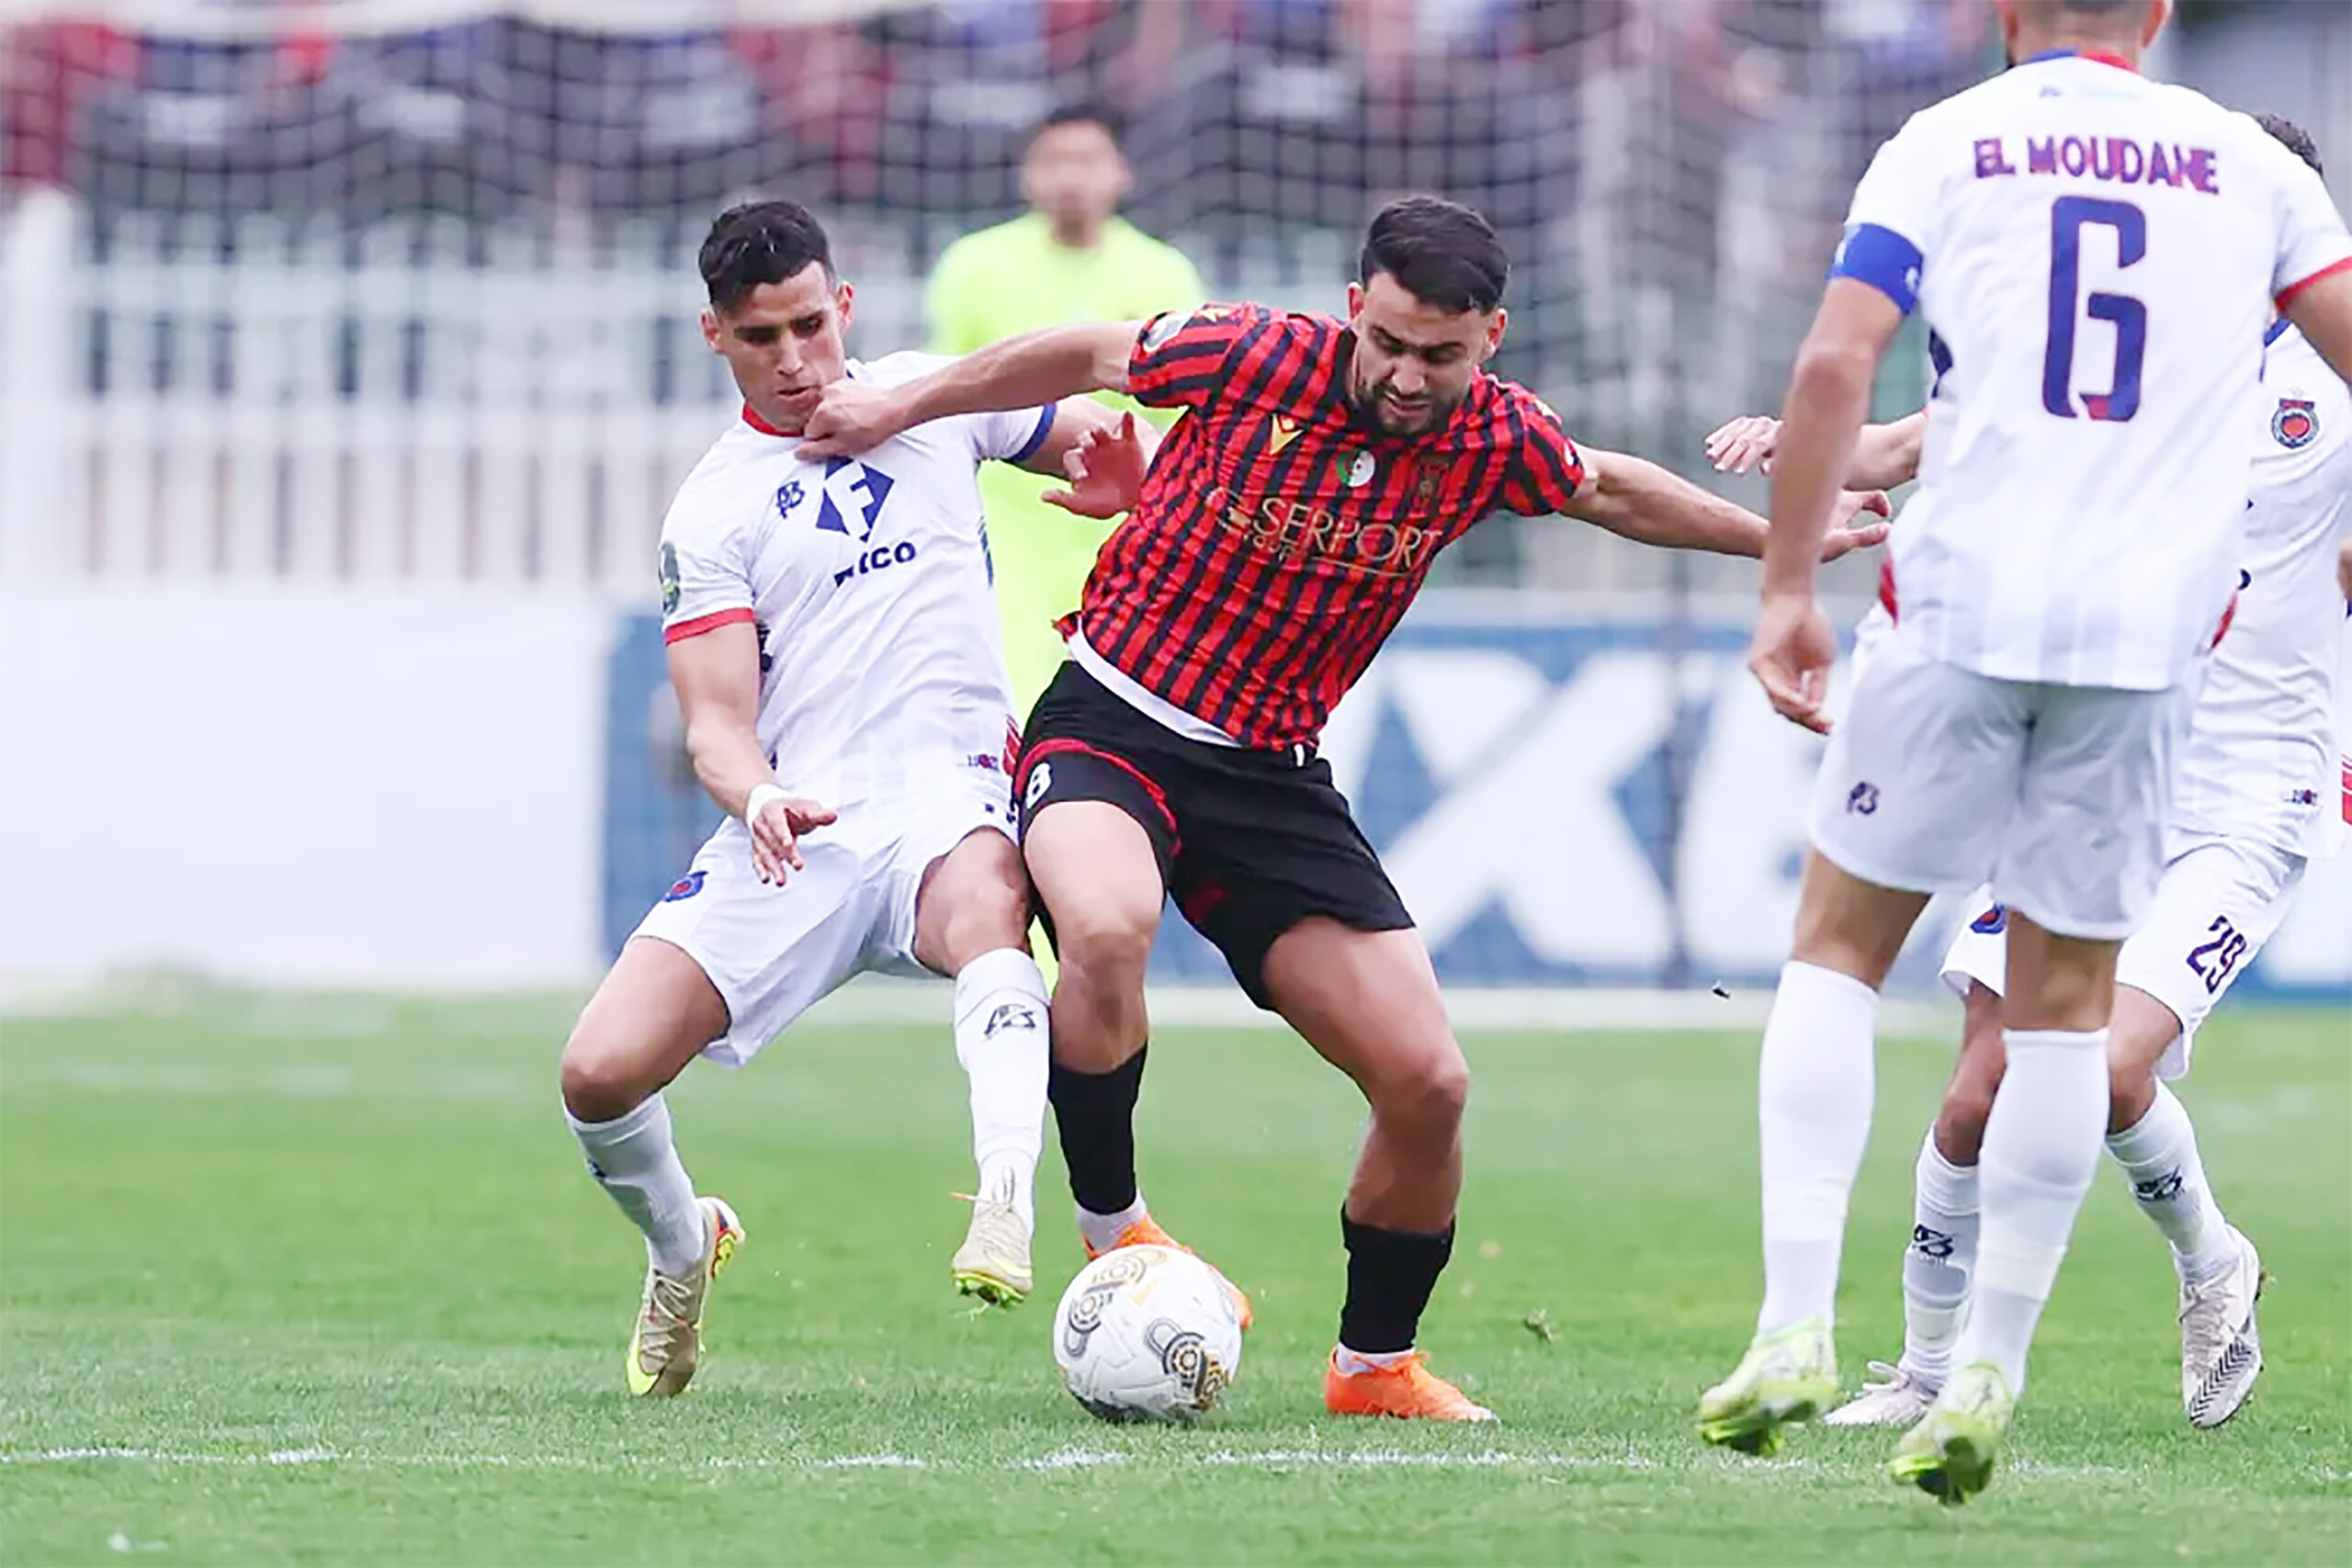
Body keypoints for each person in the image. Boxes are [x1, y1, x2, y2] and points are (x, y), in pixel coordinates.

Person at [803, 193, 1892, 1422]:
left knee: (1428, 1079)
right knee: (1106, 926)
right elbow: (1085, 350)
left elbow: (1609, 489)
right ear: (1354, 309)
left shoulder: (1492, 436)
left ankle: (1374, 1366)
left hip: (1275, 777)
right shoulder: (1255, 354)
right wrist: (905, 400)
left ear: (1492, 336)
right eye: (1390, 342)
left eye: (1443, 353)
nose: (1409, 375)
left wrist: (1780, 542)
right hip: (1113, 714)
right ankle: (1118, 1231)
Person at [1694, 0, 2352, 1502]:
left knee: (2061, 1041)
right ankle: (1930, 1368)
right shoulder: (2193, 292)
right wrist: (1849, 461)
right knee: (1998, 1078)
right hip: (2117, 690)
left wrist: (1798, 556)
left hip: (2233, 778)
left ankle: (2200, 1255)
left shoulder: (1959, 146)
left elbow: (1861, 370)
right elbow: (1945, 411)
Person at [557, 199, 1144, 1398]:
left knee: (992, 909)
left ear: (847, 308)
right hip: (804, 827)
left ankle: (1003, 1203)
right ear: (714, 333)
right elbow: (717, 720)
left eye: (811, 325)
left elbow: (1080, 428)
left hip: (950, 794)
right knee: (598, 1071)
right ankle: (684, 1244)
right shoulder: (712, 510)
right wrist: (758, 792)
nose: (794, 357)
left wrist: (1121, 462)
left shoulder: (934, 401)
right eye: (762, 334)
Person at [927, 100, 1206, 724]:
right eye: (1054, 161)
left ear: (1121, 173)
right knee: (1012, 702)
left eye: (1087, 159)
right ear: (1027, 175)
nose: (1070, 177)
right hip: (1008, 524)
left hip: (1126, 530)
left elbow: (1185, 414)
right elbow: (946, 392)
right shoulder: (974, 267)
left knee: (1119, 710)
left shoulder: (1163, 272)